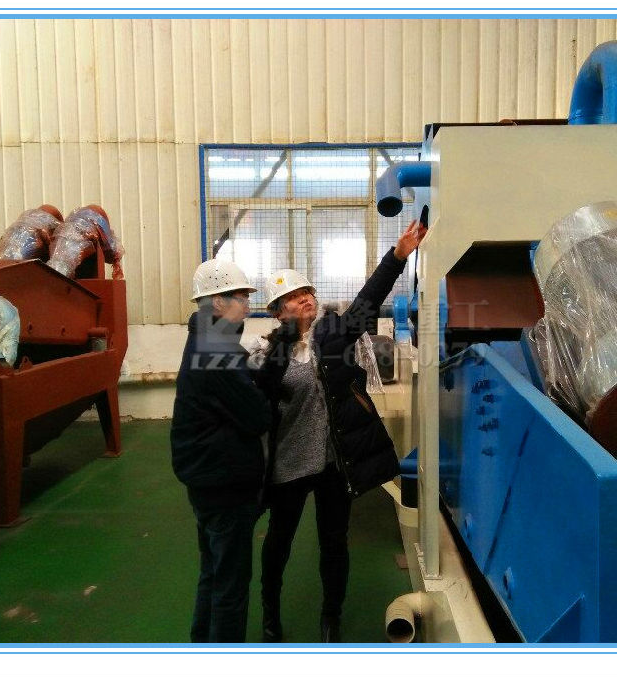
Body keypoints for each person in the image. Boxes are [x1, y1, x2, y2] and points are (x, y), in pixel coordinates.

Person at [251, 220, 427, 643]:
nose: (305, 298)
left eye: (307, 292)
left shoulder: (334, 334)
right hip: (290, 465)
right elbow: (257, 410)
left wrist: (398, 256)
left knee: (334, 543)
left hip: (335, 462)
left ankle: (332, 617)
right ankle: (271, 615)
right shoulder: (266, 353)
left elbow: (369, 300)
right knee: (279, 543)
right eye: (293, 297)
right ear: (277, 311)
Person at [170, 259, 271, 643]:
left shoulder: (205, 339)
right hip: (224, 481)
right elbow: (257, 417)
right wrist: (265, 382)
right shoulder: (217, 350)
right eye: (241, 297)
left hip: (205, 477)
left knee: (213, 572)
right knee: (231, 584)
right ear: (217, 302)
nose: (247, 305)